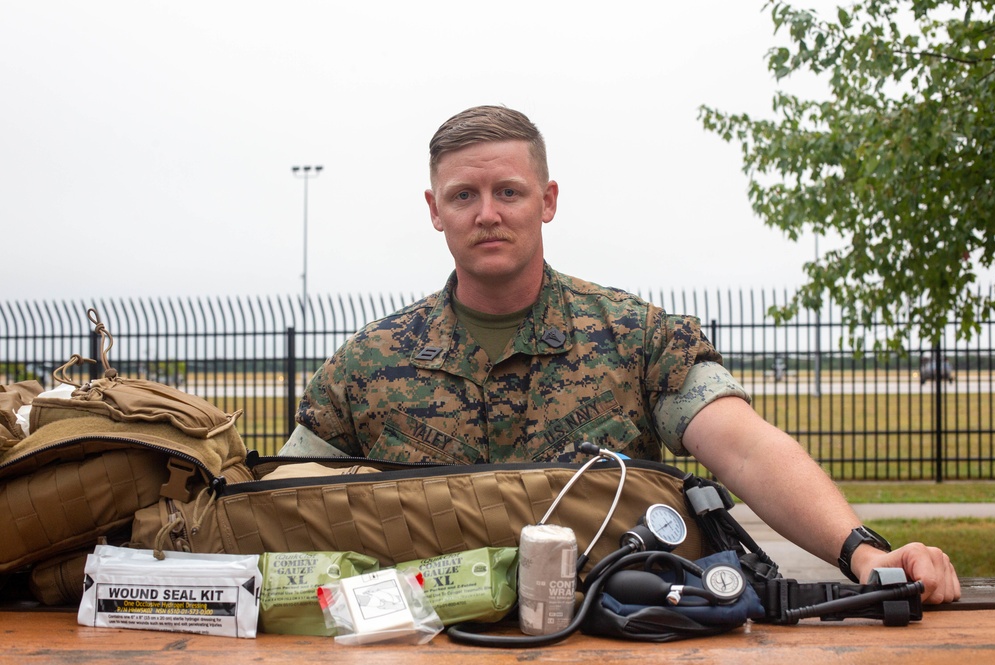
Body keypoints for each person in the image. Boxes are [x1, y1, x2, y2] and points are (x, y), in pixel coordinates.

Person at [279, 105, 960, 604]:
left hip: (616, 640)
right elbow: (281, 499)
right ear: (435, 210)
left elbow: (747, 450)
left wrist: (865, 552)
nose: (487, 212)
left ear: (546, 201)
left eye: (508, 191)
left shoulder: (634, 336)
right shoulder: (367, 365)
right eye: (464, 195)